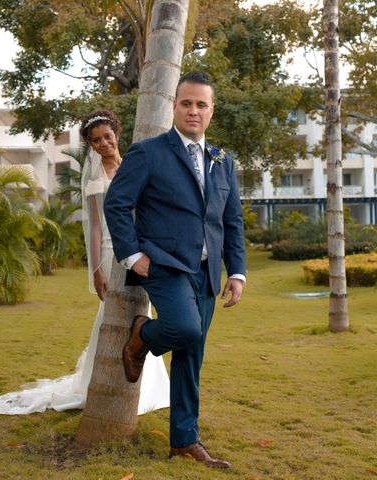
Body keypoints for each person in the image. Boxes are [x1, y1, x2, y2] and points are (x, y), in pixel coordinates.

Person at [104, 72, 246, 469]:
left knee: (191, 355)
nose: (194, 110)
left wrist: (237, 271)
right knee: (184, 329)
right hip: (163, 264)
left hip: (207, 272)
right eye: (186, 103)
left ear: (212, 110)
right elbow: (116, 204)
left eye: (202, 104)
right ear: (174, 107)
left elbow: (231, 221)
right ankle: (141, 336)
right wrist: (132, 255)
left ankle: (184, 441)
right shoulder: (148, 152)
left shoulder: (223, 161)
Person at [0, 110, 170, 416]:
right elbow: (95, 226)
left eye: (107, 136)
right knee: (110, 314)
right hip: (108, 250)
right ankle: (98, 378)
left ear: (117, 133)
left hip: (139, 250)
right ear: (89, 144)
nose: (103, 144)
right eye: (96, 140)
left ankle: (149, 385)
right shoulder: (94, 176)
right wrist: (97, 269)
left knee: (142, 309)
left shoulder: (135, 165)